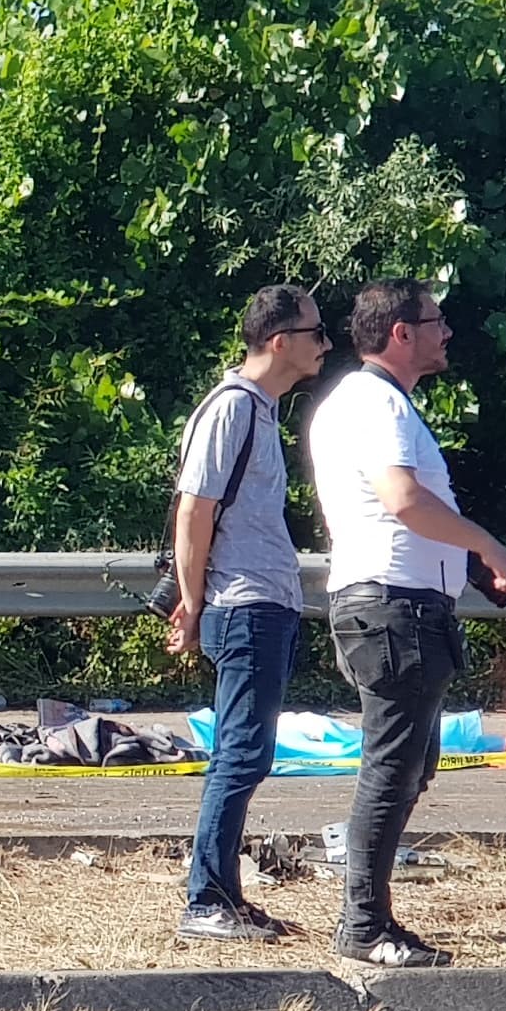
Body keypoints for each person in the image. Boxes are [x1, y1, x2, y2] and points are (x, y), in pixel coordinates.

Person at [306, 278, 506, 970]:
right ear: (400, 332)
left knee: (410, 764)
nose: (447, 333)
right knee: (392, 767)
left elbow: (403, 510)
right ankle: (364, 925)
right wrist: (484, 544)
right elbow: (402, 501)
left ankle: (370, 917)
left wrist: (458, 564)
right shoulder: (375, 403)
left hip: (403, 603)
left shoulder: (379, 404)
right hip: (390, 606)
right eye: (436, 321)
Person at [168, 285, 333, 941]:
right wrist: (192, 598)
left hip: (265, 604)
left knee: (250, 752)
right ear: (278, 341)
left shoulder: (260, 410)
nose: (326, 343)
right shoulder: (232, 409)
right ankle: (205, 899)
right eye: (316, 333)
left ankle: (225, 897)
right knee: (240, 753)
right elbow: (193, 509)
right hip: (244, 607)